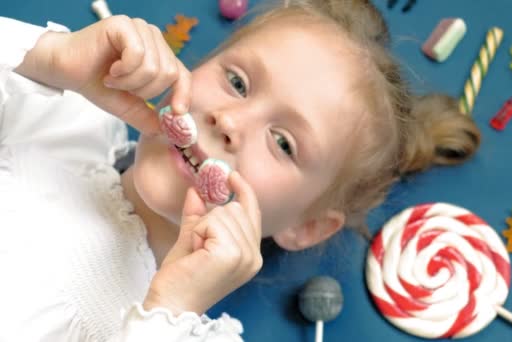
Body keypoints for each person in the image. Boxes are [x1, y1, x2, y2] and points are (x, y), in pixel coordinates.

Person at [0, 0, 480, 340]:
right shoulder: (56, 115)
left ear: (307, 225)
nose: (230, 121)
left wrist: (169, 311)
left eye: (284, 142)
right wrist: (45, 57)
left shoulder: (189, 333)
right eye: (236, 81)